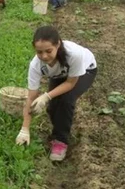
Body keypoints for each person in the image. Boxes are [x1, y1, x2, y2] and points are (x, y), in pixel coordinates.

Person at [15, 26, 98, 161]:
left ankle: (60, 141)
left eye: (48, 51)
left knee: (66, 100)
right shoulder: (36, 65)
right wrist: (25, 129)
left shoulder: (74, 55)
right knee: (53, 106)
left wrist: (46, 95)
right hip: (59, 74)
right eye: (39, 52)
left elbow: (70, 83)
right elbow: (31, 97)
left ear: (58, 44)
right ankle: (58, 129)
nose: (44, 56)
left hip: (85, 71)